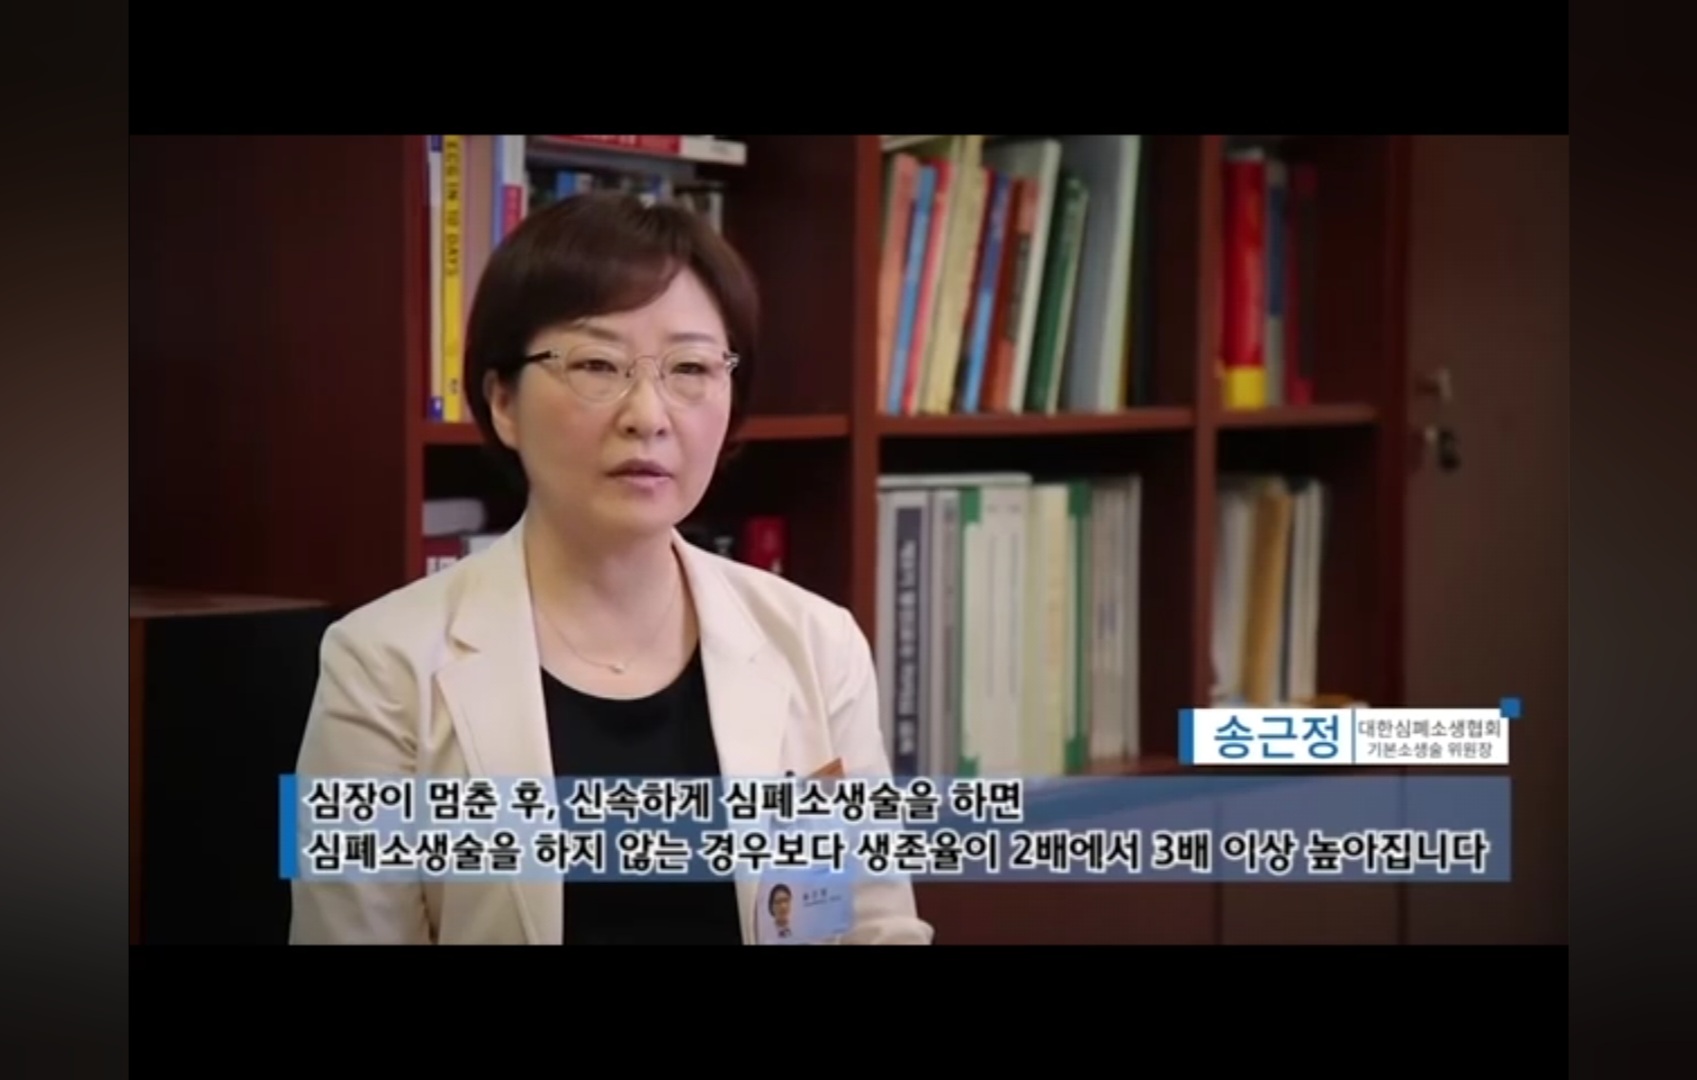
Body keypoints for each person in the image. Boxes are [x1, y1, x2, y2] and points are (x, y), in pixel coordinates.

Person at [289, 190, 932, 946]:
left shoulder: (817, 644)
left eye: (690, 367)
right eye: (597, 364)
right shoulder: (382, 666)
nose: (648, 415)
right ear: (503, 402)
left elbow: (875, 925)